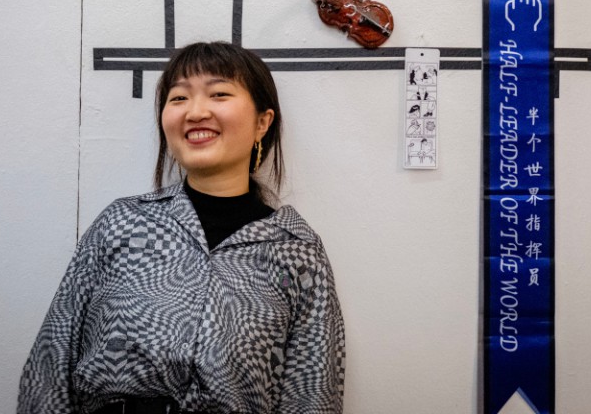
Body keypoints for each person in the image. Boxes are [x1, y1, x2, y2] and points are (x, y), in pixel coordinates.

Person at [18, 42, 345, 414]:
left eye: (219, 93)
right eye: (178, 98)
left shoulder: (296, 249)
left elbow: (313, 395)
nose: (195, 111)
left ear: (262, 122)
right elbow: (48, 367)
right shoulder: (121, 224)